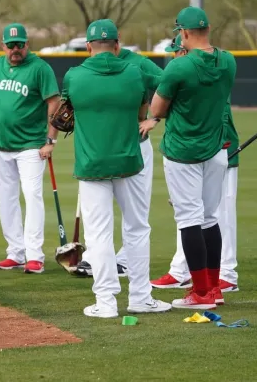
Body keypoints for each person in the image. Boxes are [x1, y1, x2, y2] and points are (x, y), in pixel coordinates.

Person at [62, 19, 172, 318]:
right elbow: (159, 93)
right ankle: (140, 297)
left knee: (98, 235)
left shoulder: (73, 76)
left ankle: (106, 302)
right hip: (129, 161)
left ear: (87, 46)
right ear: (117, 43)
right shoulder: (135, 73)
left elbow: (65, 114)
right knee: (137, 229)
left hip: (91, 163)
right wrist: (151, 117)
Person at [140, 7, 236, 310]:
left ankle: (201, 294)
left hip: (183, 151)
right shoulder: (229, 61)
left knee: (190, 220)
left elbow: (156, 111)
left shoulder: (177, 68)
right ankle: (213, 288)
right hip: (216, 149)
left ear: (183, 33)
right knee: (209, 219)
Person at [0, 23, 60, 274]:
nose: (15, 49)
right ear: (3, 46)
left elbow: (54, 102)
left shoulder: (40, 68)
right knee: (6, 199)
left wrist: (50, 140)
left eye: (20, 44)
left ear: (27, 44)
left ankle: (34, 255)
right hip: (0, 145)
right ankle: (16, 252)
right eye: (11, 45)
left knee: (32, 196)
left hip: (31, 145)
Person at [75, 30, 164, 279]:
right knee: (105, 217)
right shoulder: (86, 69)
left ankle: (124, 261)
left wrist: (153, 118)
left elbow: (167, 84)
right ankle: (95, 259)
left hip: (135, 145)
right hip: (104, 147)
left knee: (134, 214)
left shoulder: (137, 63)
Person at [150, 92, 241, 293]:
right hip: (194, 151)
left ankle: (226, 274)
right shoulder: (189, 68)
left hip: (215, 147)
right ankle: (182, 270)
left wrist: (155, 117)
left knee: (216, 215)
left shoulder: (214, 65)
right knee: (189, 216)